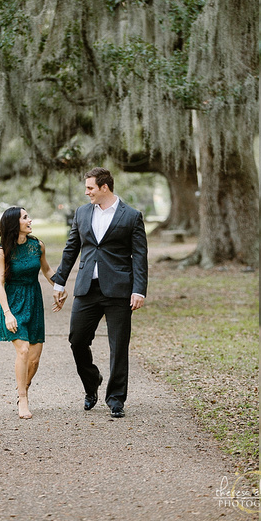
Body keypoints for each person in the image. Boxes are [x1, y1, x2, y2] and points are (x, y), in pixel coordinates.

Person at [52, 167, 148, 419]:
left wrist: (139, 290)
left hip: (119, 290)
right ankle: (92, 381)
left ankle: (116, 399)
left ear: (104, 187)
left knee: (119, 346)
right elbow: (71, 248)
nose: (87, 193)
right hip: (87, 288)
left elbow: (139, 256)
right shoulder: (82, 213)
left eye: (90, 188)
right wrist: (59, 282)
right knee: (77, 340)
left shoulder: (132, 216)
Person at [0, 207, 62, 419]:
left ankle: (24, 387)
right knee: (22, 350)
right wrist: (7, 313)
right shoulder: (2, 251)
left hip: (34, 301)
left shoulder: (37, 246)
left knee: (34, 359)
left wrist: (59, 286)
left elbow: (47, 270)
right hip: (12, 303)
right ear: (15, 224)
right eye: (25, 218)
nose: (30, 220)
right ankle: (23, 399)